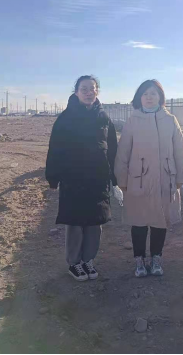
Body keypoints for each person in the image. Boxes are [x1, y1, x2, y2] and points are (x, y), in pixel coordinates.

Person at [46, 75, 118, 282]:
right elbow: (55, 149)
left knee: (95, 222)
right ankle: (74, 263)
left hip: (98, 179)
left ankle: (88, 260)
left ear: (97, 91)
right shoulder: (65, 118)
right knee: (75, 222)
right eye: (84, 89)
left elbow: (113, 149)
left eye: (92, 88)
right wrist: (53, 177)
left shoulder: (103, 117)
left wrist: (115, 177)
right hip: (74, 179)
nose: (88, 92)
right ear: (76, 92)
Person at [115, 80, 183, 277]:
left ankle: (156, 258)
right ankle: (139, 260)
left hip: (165, 179)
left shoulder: (170, 120)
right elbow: (123, 152)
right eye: (145, 94)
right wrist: (122, 179)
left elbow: (180, 150)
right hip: (138, 180)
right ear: (139, 98)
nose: (149, 97)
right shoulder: (133, 120)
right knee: (138, 221)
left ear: (160, 97)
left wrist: (181, 175)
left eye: (153, 93)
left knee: (160, 221)